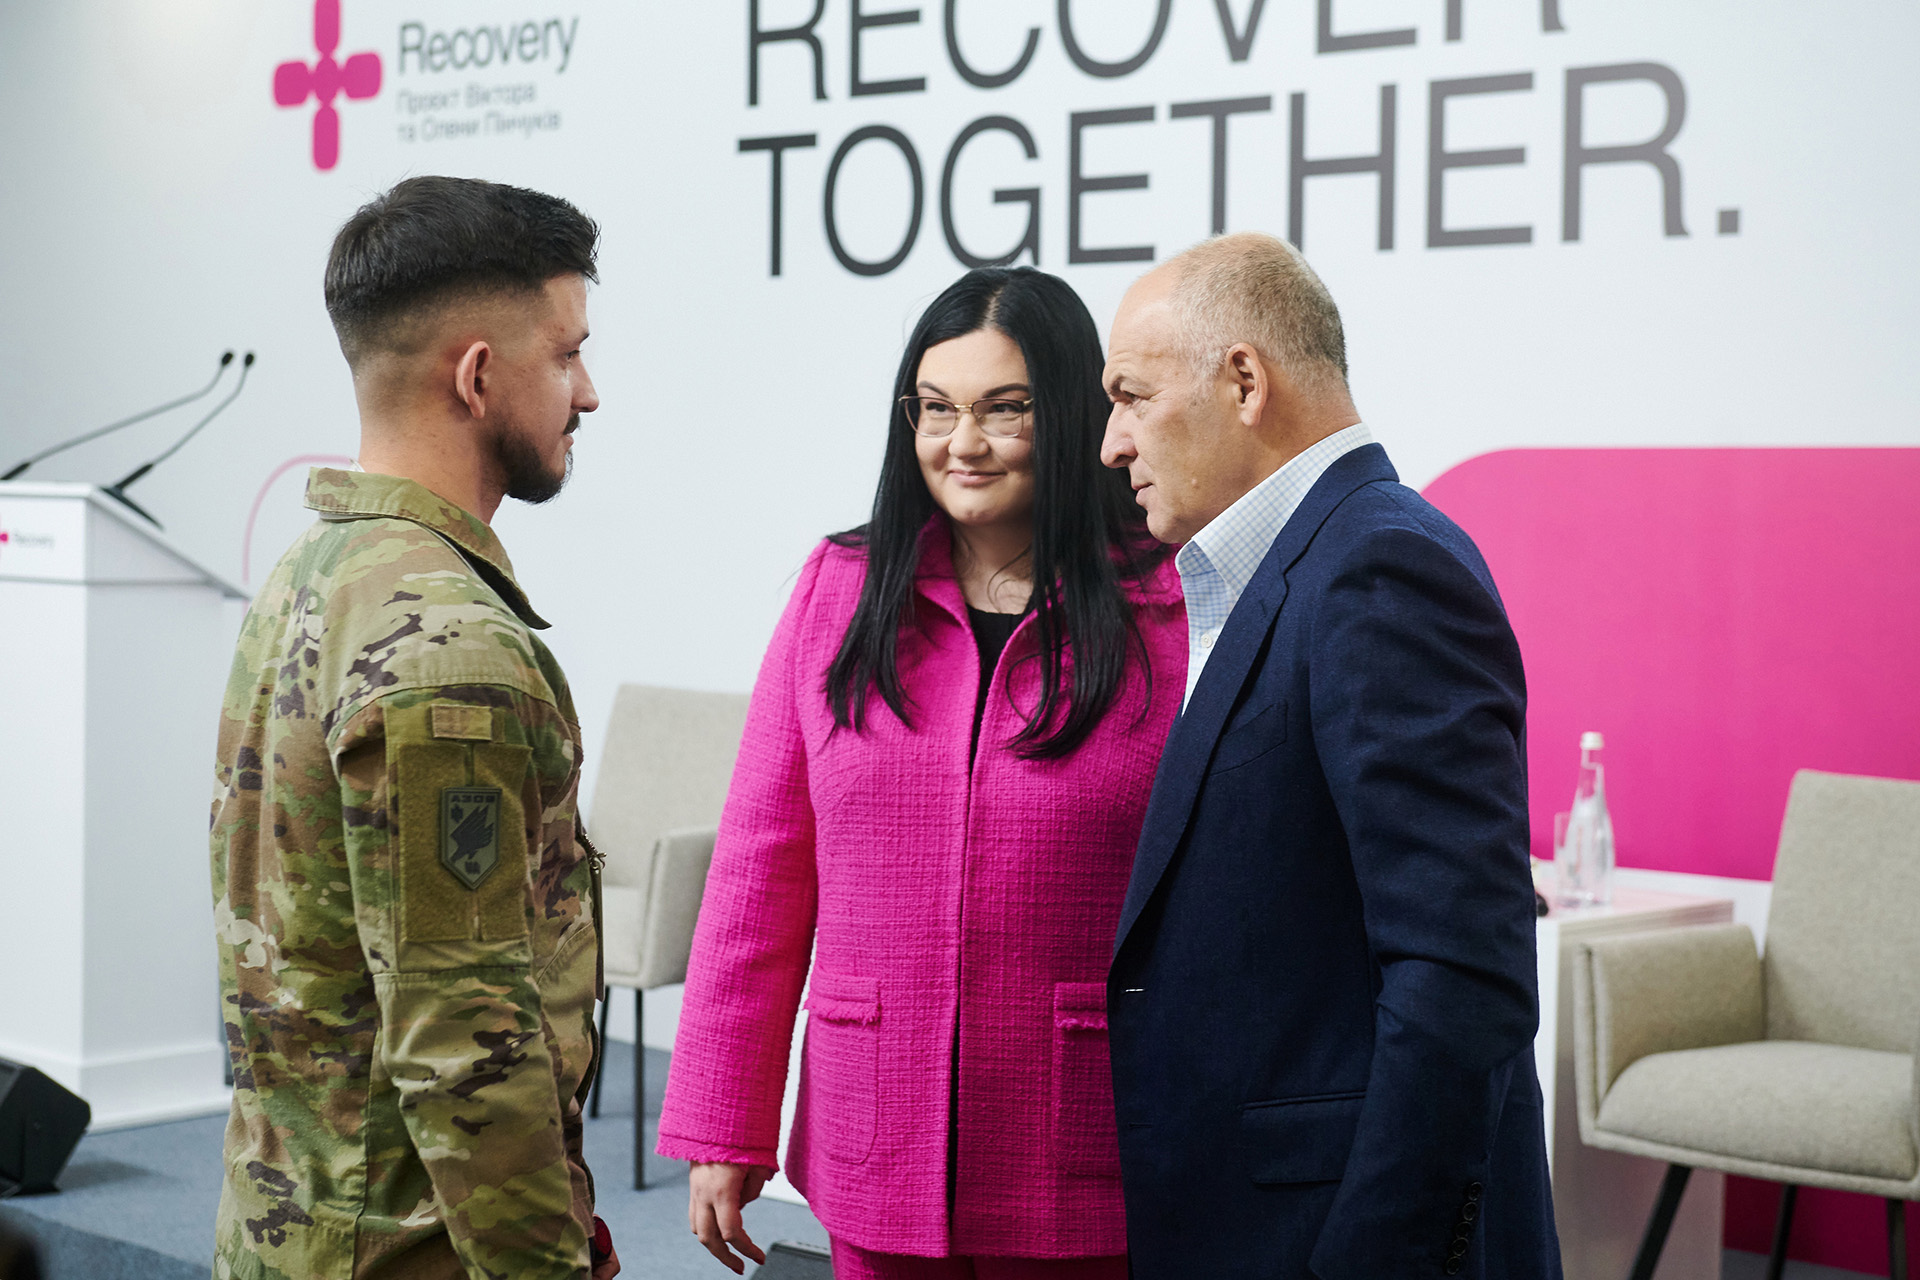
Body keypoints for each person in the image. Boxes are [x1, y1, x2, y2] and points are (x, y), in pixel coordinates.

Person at [657, 267, 1185, 1278]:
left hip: (1082, 1129)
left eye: (1004, 408)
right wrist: (724, 1122)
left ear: (1073, 414)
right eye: (936, 408)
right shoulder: (841, 589)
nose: (962, 442)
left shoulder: (1168, 603)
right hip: (876, 1121)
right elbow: (760, 871)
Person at [1098, 232, 1560, 1279]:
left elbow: (1460, 973)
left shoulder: (1378, 567)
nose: (1112, 443)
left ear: (1244, 381)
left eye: (1131, 395)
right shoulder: (1291, 568)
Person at [208, 175, 620, 1279]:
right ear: (478, 376)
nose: (588, 393)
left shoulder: (311, 576)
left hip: (294, 1227)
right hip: (409, 1248)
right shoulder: (449, 646)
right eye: (567, 354)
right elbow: (465, 1044)